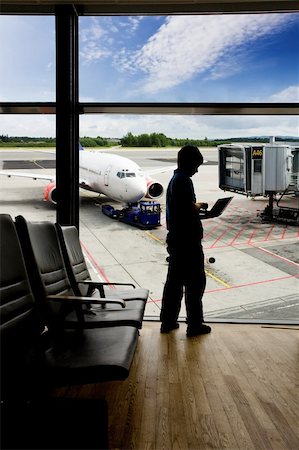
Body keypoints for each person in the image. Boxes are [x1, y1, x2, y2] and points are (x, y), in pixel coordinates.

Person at [160, 145, 211, 337]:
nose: (197, 169)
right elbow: (188, 208)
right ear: (188, 162)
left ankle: (168, 321)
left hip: (177, 239)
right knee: (195, 283)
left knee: (174, 283)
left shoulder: (175, 179)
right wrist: (199, 205)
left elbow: (181, 210)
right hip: (187, 242)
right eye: (196, 165)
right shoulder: (183, 181)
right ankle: (195, 324)